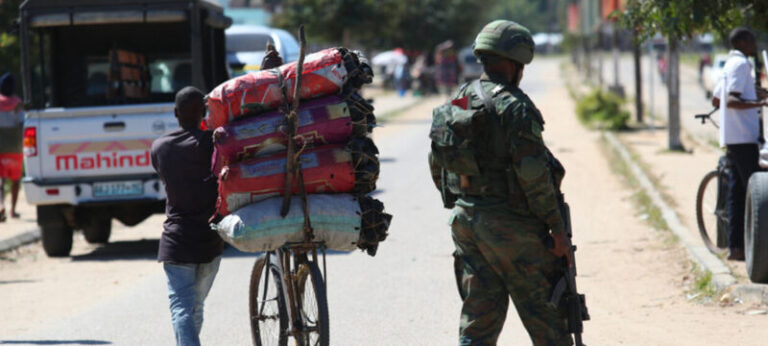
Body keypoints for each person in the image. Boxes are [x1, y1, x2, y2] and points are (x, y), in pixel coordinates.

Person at [430, 20, 573, 345]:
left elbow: (437, 161)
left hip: (467, 224)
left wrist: (466, 202)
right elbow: (534, 176)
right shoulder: (516, 107)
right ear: (514, 63)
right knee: (548, 322)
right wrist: (556, 229)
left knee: (478, 325)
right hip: (512, 229)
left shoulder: (460, 98)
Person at [151, 86, 224, 345]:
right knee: (195, 306)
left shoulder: (159, 147)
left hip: (177, 241)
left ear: (175, 113)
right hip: (210, 241)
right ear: (203, 113)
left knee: (183, 307)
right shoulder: (213, 144)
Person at [710, 27, 768, 261]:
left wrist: (758, 94)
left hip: (732, 137)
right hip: (744, 137)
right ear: (743, 41)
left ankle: (736, 247)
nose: (755, 44)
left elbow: (717, 97)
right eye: (752, 40)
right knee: (756, 194)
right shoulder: (742, 64)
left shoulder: (730, 64)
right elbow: (731, 99)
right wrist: (759, 105)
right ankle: (754, 248)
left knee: (737, 192)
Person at [0, 73, 24, 222]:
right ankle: (13, 211)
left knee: (0, 179)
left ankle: (1, 204)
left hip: (0, 145)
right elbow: (22, 122)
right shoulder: (18, 103)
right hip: (15, 146)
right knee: (15, 179)